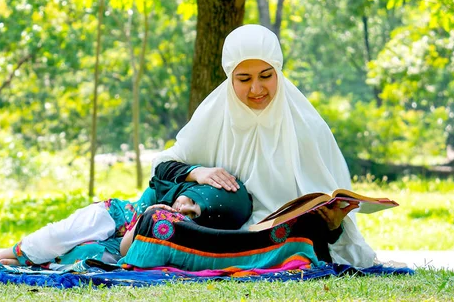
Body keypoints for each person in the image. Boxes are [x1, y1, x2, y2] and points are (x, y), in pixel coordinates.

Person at [151, 24, 376, 267]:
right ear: (230, 78)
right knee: (164, 224)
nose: (256, 89)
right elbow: (162, 166)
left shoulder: (308, 126)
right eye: (244, 79)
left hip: (285, 240)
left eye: (266, 76)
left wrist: (333, 225)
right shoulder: (213, 115)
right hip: (222, 236)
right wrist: (198, 172)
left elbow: (332, 224)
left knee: (306, 237)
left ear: (278, 72)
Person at [0, 174, 253, 266]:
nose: (184, 211)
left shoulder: (172, 227)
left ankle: (28, 264)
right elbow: (162, 169)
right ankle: (2, 256)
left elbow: (125, 251)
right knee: (54, 238)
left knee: (83, 258)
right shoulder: (167, 188)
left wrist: (147, 220)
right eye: (191, 202)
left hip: (120, 244)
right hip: (111, 216)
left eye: (194, 216)